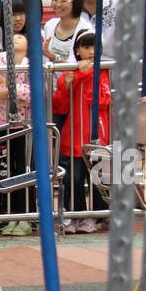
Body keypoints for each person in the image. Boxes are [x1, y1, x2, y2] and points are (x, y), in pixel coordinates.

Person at [52, 30, 110, 234]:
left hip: (97, 137)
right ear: (77, 50)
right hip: (73, 136)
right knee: (73, 179)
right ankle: (75, 215)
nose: (92, 52)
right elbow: (59, 106)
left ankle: (96, 216)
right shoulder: (69, 73)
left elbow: (101, 100)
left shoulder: (104, 72)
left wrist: (83, 75)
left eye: (95, 47)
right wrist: (69, 83)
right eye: (86, 47)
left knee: (96, 178)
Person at [0, 0, 34, 237]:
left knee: (24, 169)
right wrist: (6, 91)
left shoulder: (30, 61)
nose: (17, 38)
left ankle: (25, 217)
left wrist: (10, 90)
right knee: (5, 170)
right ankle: (8, 217)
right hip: (2, 123)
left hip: (24, 124)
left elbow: (33, 90)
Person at [41, 0, 93, 65]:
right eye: (55, 0)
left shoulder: (87, 29)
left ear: (76, 2)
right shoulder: (49, 25)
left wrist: (54, 57)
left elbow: (80, 64)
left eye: (63, 1)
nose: (58, 5)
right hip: (51, 78)